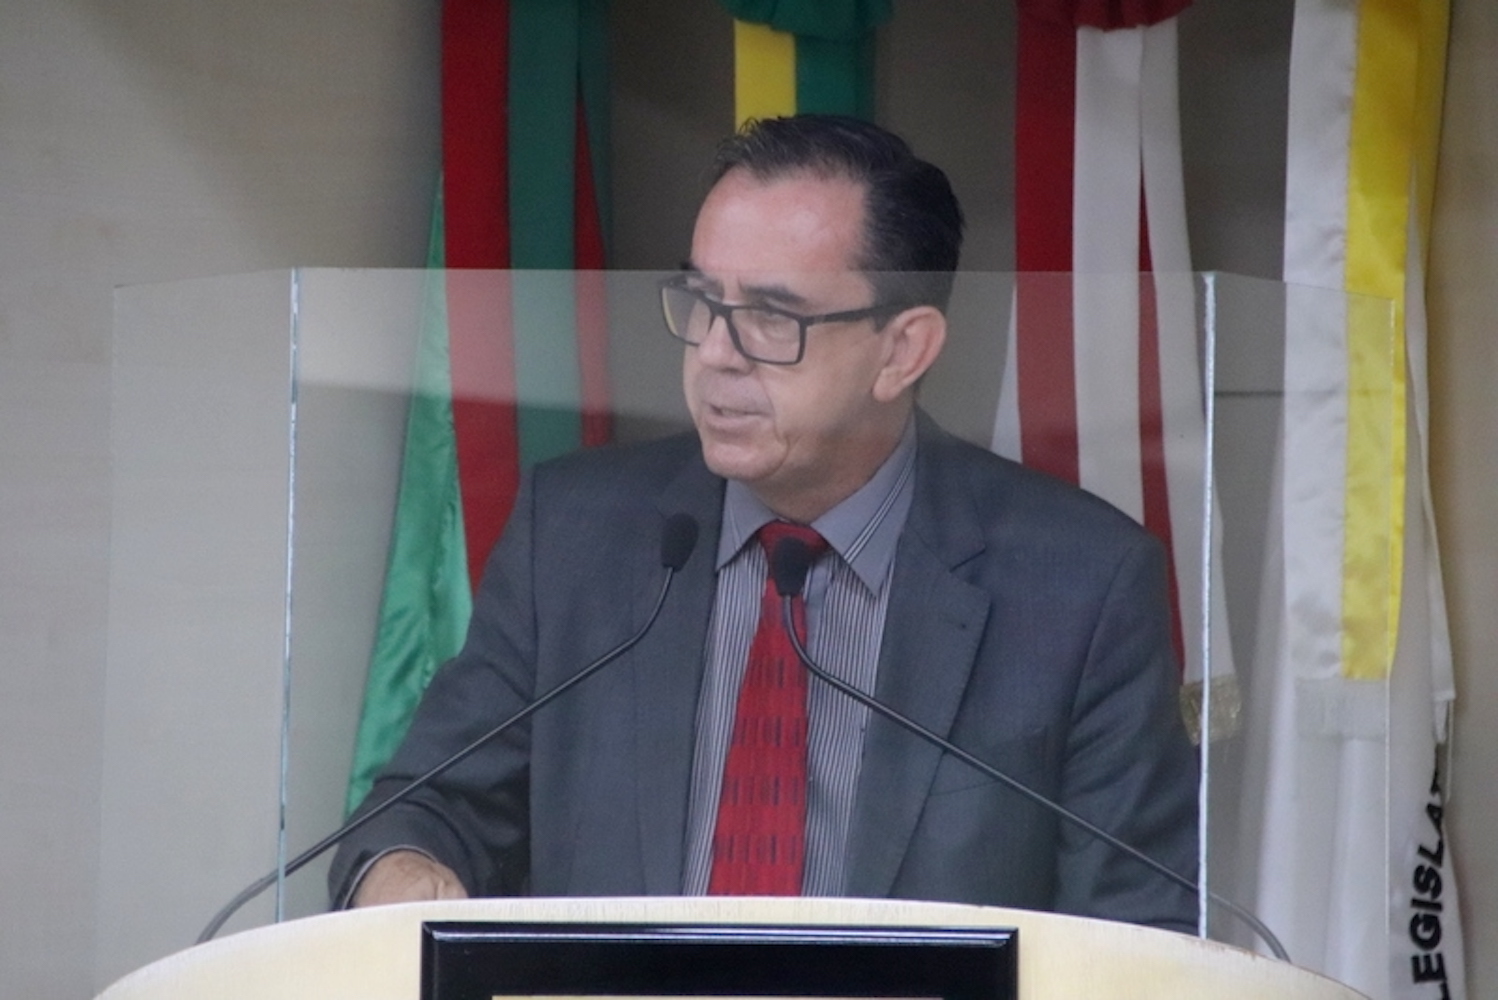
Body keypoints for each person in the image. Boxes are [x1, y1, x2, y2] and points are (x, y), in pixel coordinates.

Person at [329, 114, 1199, 931]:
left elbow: (1134, 933)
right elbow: (427, 805)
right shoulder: (578, 534)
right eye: (702, 300)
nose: (714, 353)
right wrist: (404, 871)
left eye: (772, 318)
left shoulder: (1080, 586)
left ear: (903, 350)